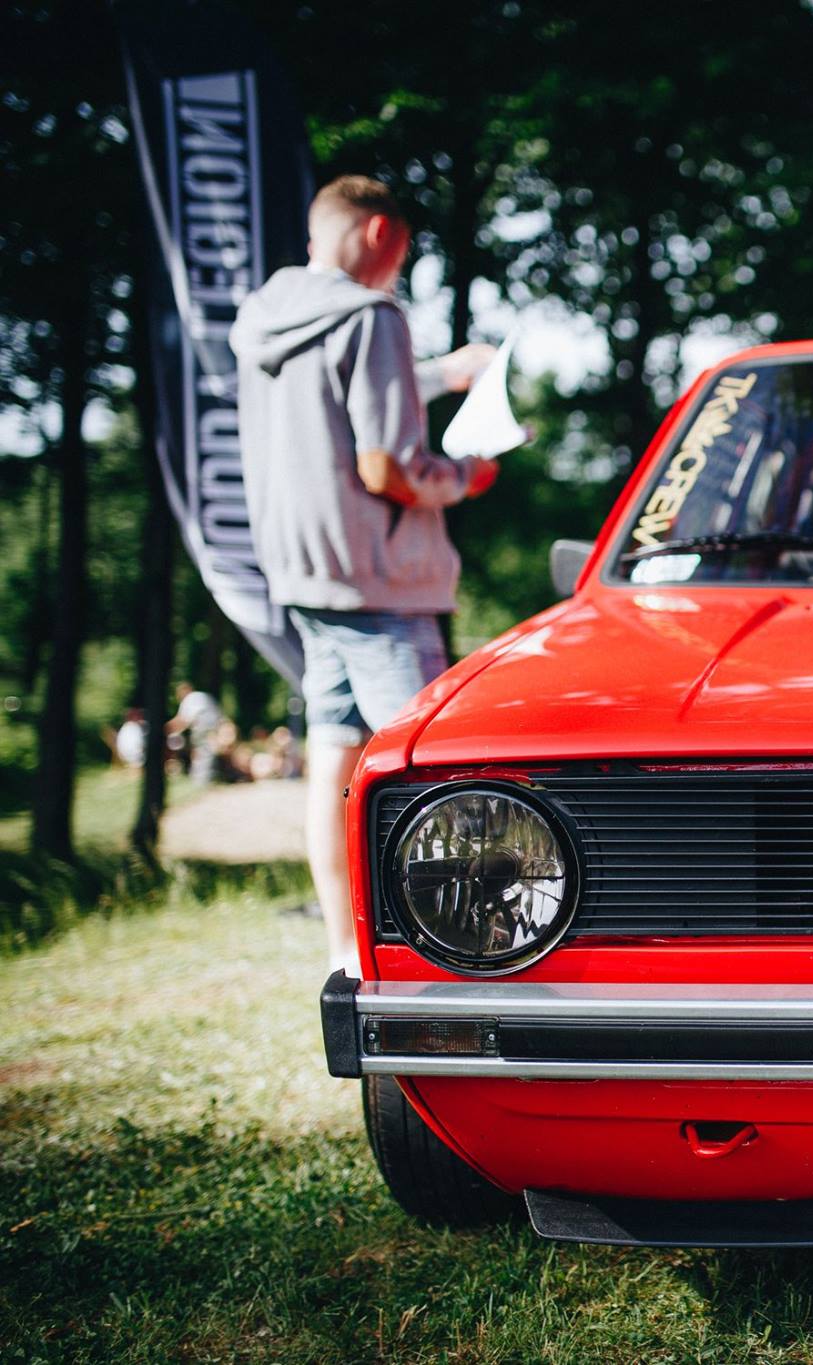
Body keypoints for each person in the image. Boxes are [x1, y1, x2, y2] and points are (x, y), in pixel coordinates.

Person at [231, 175, 500, 976]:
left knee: (336, 763)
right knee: (430, 772)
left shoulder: (267, 317)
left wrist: (443, 373)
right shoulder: (374, 316)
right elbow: (386, 466)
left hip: (305, 576)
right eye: (405, 249)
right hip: (383, 583)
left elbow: (336, 396)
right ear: (383, 232)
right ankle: (451, 952)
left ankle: (348, 952)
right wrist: (467, 476)